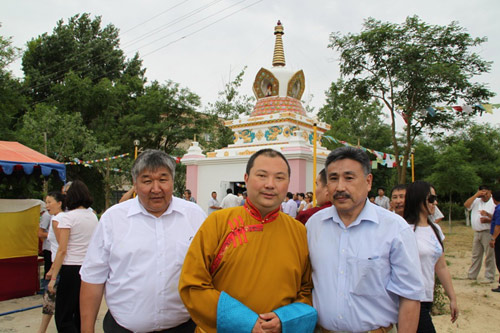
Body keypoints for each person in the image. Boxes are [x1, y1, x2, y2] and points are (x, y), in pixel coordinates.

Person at [179, 148, 317, 333]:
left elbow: (306, 290)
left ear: (288, 183)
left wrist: (284, 320)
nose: (270, 184)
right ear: (246, 179)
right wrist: (244, 321)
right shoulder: (217, 223)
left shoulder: (298, 231)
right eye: (262, 175)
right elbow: (192, 285)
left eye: (279, 177)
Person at [80, 150, 206, 333]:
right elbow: (93, 278)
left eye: (163, 180)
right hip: (123, 328)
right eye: (147, 181)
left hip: (184, 327)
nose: (156, 189)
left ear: (173, 181)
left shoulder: (194, 215)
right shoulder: (113, 219)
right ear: (135, 184)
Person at [306, 146, 424, 332]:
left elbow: (409, 296)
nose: (340, 187)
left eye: (349, 177)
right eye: (333, 178)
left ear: (368, 182)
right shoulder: (314, 225)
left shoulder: (394, 229)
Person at [404, 181, 459, 332]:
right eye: (431, 198)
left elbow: (441, 266)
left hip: (427, 297)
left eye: (435, 198)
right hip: (410, 299)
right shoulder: (404, 230)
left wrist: (452, 298)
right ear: (417, 199)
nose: (435, 202)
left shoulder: (435, 229)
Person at [47, 180, 98, 332]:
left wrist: (54, 277)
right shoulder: (92, 217)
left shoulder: (67, 218)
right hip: (87, 269)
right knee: (80, 313)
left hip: (70, 269)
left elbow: (62, 250)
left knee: (63, 316)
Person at [37, 192, 65, 333]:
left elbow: (62, 247)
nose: (47, 205)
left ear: (59, 203)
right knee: (50, 301)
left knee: (51, 300)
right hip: (57, 264)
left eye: (49, 202)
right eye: (46, 202)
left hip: (59, 266)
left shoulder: (59, 219)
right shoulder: (55, 217)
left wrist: (53, 270)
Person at [464, 185, 496, 283]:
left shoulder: (493, 203)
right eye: (481, 192)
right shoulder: (476, 201)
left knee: (489, 255)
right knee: (476, 255)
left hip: (488, 232)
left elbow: (497, 219)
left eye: (485, 193)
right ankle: (472, 275)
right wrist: (476, 195)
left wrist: (488, 219)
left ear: (490, 192)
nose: (483, 195)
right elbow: (466, 205)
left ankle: (489, 276)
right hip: (477, 232)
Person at [489, 191, 500, 292]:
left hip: (499, 237)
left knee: (499, 260)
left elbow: (498, 225)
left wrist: (493, 238)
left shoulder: (499, 209)